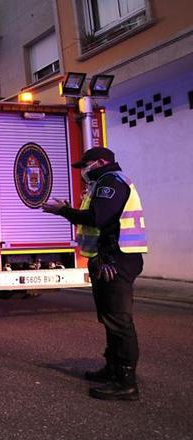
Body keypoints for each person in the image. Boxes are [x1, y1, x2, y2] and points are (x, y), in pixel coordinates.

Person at [43, 147, 146, 401]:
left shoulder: (111, 182)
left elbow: (97, 218)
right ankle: (112, 369)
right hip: (108, 259)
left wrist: (63, 211)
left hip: (117, 259)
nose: (83, 172)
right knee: (110, 319)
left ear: (100, 162)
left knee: (120, 322)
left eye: (86, 166)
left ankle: (126, 382)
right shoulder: (104, 182)